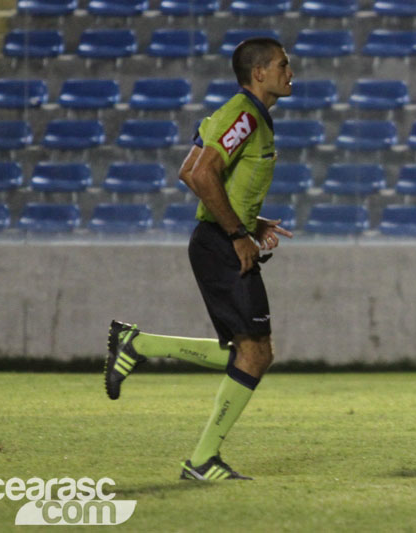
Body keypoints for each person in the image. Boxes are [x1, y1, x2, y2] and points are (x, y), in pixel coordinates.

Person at [103, 37, 294, 481]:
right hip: (221, 243)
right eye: (284, 65)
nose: (291, 72)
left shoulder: (241, 116)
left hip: (217, 239)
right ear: (259, 73)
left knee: (250, 353)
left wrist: (251, 220)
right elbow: (200, 173)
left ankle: (138, 344)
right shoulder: (245, 116)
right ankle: (203, 459)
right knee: (255, 353)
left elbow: (192, 169)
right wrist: (236, 232)